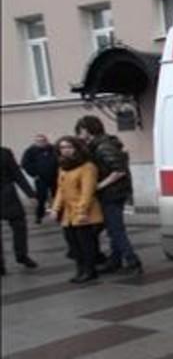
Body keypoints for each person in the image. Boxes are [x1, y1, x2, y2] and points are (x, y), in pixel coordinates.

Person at [75, 115, 141, 275]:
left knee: (116, 229)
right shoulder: (100, 144)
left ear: (87, 129)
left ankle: (133, 261)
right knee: (113, 229)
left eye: (80, 131)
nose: (79, 135)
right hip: (112, 193)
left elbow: (118, 171)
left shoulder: (103, 146)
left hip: (112, 193)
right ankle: (115, 260)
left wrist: (98, 186)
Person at [49, 136, 103, 284]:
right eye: (62, 147)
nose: (65, 150)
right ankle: (80, 269)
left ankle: (90, 270)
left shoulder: (87, 166)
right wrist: (55, 208)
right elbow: (60, 190)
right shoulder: (63, 167)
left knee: (86, 243)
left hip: (84, 212)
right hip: (68, 213)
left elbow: (87, 191)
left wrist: (82, 211)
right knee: (73, 243)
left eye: (69, 147)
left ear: (77, 148)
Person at [1, 146, 38, 275]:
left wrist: (30, 194)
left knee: (20, 226)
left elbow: (17, 174)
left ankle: (22, 255)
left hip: (8, 195)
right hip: (7, 193)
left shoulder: (4, 153)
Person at [20, 134, 58, 224]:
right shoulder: (30, 151)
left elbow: (60, 160)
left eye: (43, 140)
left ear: (46, 141)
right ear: (35, 142)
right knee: (41, 198)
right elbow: (25, 164)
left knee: (57, 197)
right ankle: (39, 216)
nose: (41, 142)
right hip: (40, 178)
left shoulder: (53, 149)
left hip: (54, 178)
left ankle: (59, 214)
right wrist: (34, 174)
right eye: (38, 141)